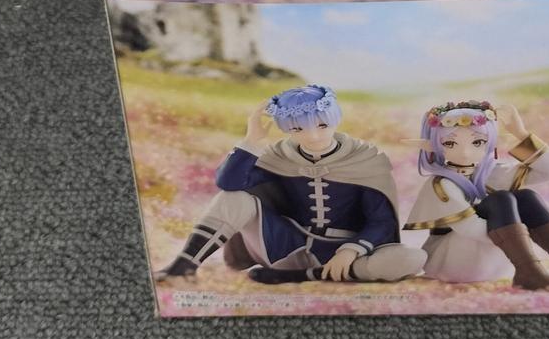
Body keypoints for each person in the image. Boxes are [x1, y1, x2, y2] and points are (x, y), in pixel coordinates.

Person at [153, 84, 424, 285]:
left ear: (334, 118)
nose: (313, 136)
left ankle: (306, 275)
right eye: (298, 129)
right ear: (285, 129)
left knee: (411, 259)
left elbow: (382, 222)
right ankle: (184, 265)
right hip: (282, 245)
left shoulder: (366, 160)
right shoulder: (278, 157)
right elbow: (229, 183)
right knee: (234, 197)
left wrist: (351, 250)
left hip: (343, 254)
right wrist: (251, 140)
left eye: (321, 125)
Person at [402, 101, 549, 290]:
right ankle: (528, 270)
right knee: (501, 200)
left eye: (477, 142)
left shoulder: (493, 173)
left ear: (490, 143)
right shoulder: (441, 184)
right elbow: (470, 229)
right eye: (449, 143)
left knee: (526, 197)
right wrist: (519, 230)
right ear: (433, 146)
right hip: (454, 263)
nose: (465, 152)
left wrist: (521, 134)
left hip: (497, 264)